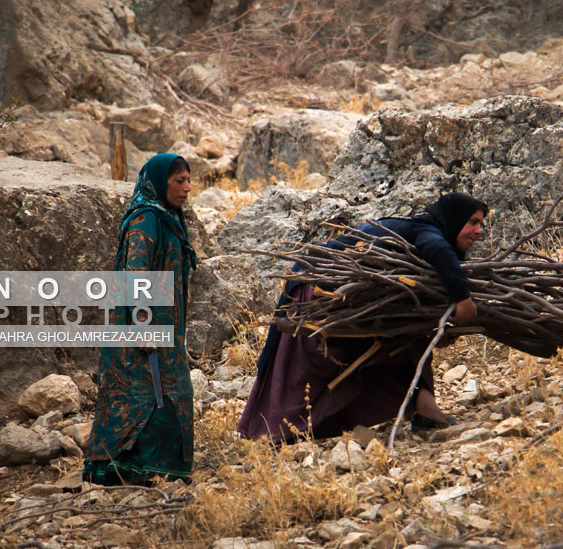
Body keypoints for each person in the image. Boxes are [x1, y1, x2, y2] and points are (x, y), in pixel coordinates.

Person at [237, 192, 488, 442]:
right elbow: (436, 249)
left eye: (481, 224)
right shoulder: (427, 230)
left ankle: (426, 409)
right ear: (454, 219)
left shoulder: (428, 233)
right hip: (317, 291)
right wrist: (463, 299)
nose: (478, 231)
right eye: (472, 222)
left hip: (345, 295)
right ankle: (272, 431)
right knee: (311, 364)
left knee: (407, 338)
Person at [83, 153, 198, 485]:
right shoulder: (146, 219)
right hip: (141, 332)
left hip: (166, 330)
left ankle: (160, 471)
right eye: (180, 181)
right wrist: (143, 327)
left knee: (169, 392)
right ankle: (127, 472)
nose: (187, 188)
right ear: (161, 183)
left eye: (189, 180)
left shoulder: (168, 216)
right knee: (141, 396)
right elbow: (135, 274)